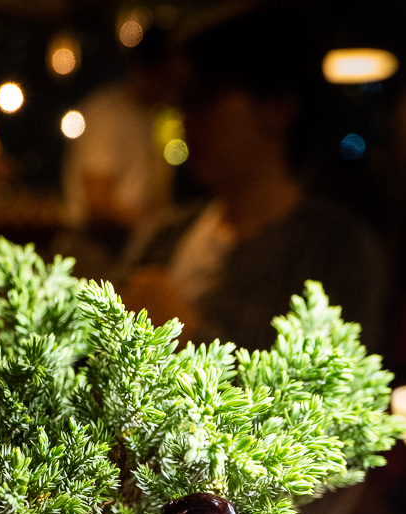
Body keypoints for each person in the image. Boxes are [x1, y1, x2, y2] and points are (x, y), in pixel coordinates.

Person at [118, 5, 391, 353]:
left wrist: (183, 333)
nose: (188, 120)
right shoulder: (167, 233)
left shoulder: (336, 251)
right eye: (182, 100)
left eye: (205, 97)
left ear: (278, 108)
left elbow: (324, 394)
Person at [55, 24, 179, 280]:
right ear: (151, 70)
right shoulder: (109, 115)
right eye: (171, 74)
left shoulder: (149, 116)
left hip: (128, 247)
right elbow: (97, 200)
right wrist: (154, 226)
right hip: (98, 249)